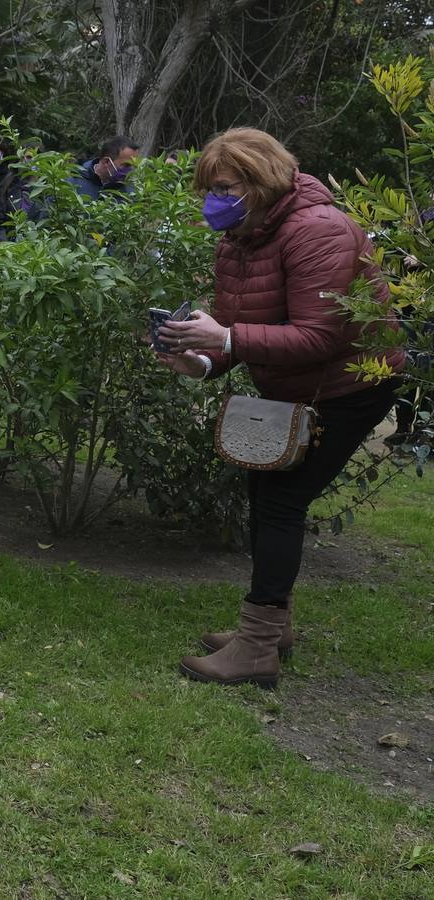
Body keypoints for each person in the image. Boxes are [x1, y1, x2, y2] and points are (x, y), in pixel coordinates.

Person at [156, 127, 404, 689]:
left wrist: (223, 340)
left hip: (348, 386)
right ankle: (273, 628)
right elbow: (234, 333)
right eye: (208, 189)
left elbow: (318, 337)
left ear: (259, 181)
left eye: (221, 187)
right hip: (295, 384)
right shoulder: (240, 238)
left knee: (280, 501)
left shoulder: (320, 232)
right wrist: (196, 357)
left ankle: (259, 646)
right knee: (266, 495)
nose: (211, 200)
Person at [69, 135, 139, 201]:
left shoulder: (130, 194)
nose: (130, 170)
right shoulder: (73, 182)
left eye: (133, 165)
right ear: (106, 161)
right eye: (126, 165)